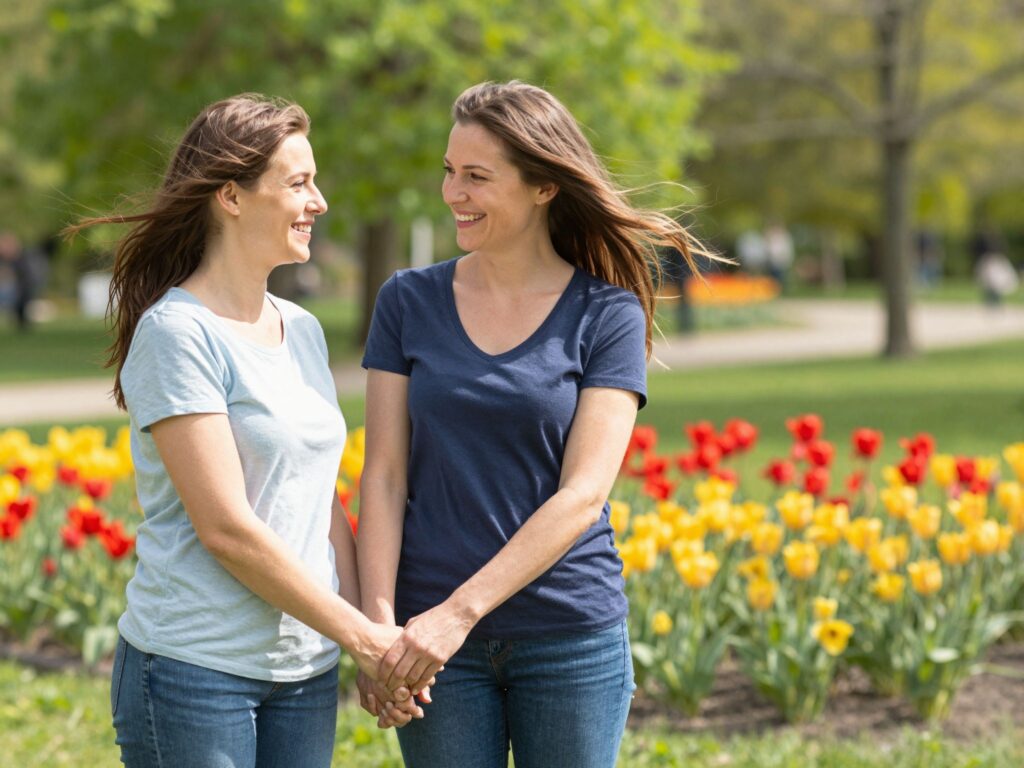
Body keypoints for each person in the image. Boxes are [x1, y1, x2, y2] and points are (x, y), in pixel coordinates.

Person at [356, 81, 716, 768]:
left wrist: (458, 615)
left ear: (544, 186)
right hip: (428, 643)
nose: (453, 193)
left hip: (566, 634)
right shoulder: (407, 301)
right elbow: (384, 476)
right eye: (449, 171)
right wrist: (378, 630)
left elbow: (582, 495)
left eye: (477, 177)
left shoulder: (607, 314)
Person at [68, 94, 423, 768]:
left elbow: (320, 502)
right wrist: (363, 639)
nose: (319, 202)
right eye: (299, 183)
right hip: (194, 671)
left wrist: (366, 638)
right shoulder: (178, 333)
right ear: (230, 196)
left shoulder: (303, 329)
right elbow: (226, 528)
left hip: (305, 669)